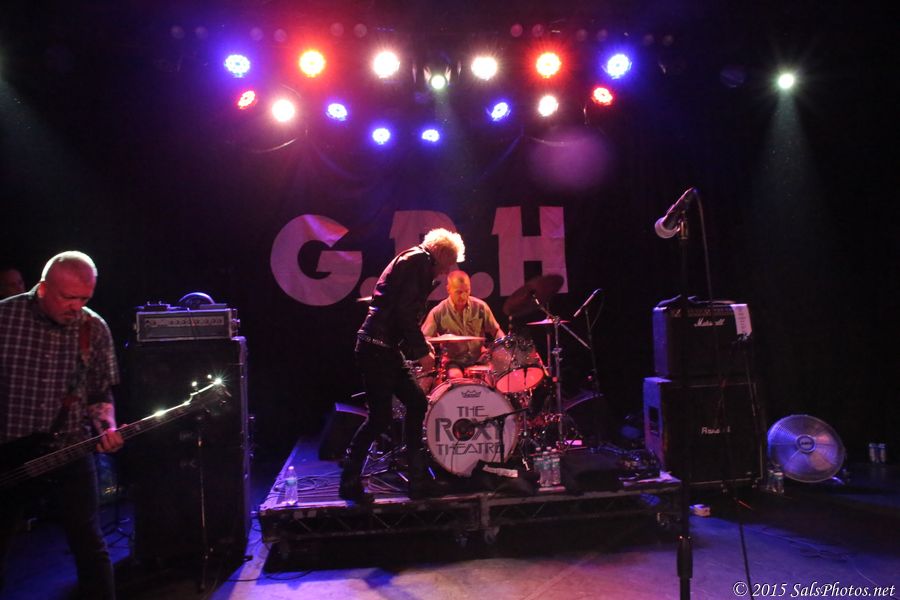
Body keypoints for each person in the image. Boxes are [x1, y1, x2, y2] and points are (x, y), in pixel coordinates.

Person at [0, 251, 124, 599]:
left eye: (84, 298)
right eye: (69, 297)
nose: (76, 307)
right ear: (42, 288)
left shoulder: (93, 328)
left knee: (89, 544)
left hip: (67, 448)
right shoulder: (5, 318)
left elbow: (99, 392)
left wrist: (106, 426)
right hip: (7, 451)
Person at [340, 228, 465, 503]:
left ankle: (418, 482)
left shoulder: (416, 260)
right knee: (379, 418)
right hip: (377, 349)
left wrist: (420, 343)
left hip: (384, 348)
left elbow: (401, 312)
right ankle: (349, 481)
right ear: (441, 255)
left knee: (417, 403)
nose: (447, 271)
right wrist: (420, 352)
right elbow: (404, 313)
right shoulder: (417, 262)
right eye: (449, 263)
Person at [421, 270, 504, 380]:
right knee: (456, 377)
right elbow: (424, 338)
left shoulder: (480, 307)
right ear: (448, 289)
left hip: (480, 357)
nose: (463, 296)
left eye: (467, 291)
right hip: (453, 361)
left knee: (496, 373)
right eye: (459, 292)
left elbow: (496, 331)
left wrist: (504, 349)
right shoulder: (438, 312)